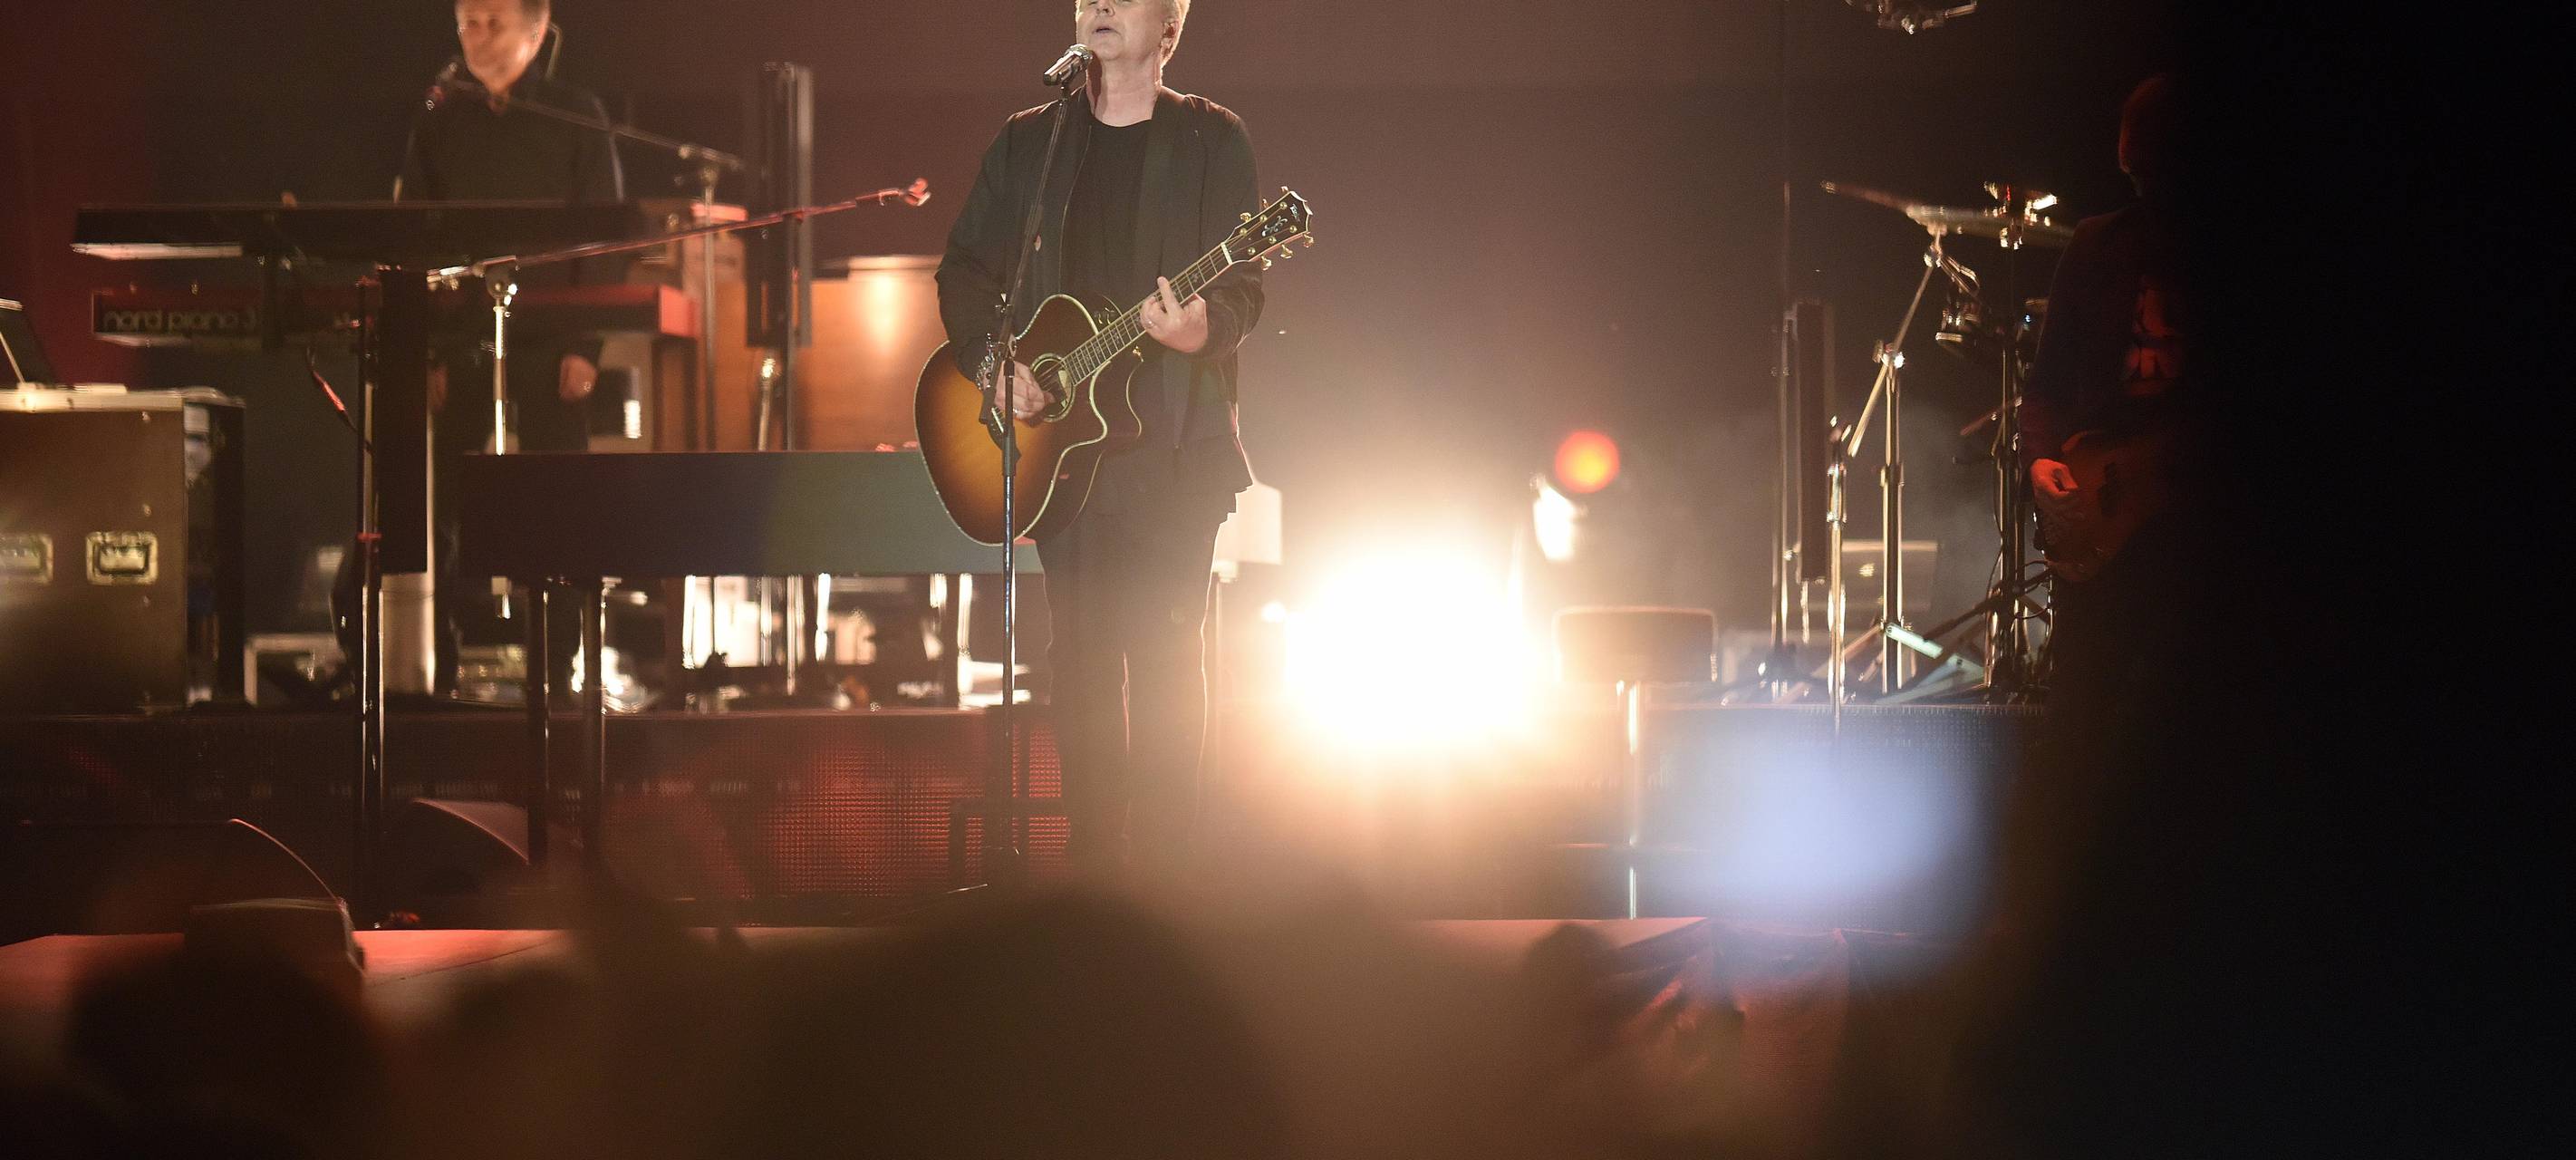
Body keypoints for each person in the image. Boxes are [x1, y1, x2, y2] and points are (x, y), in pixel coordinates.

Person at [935, 0, 1263, 879]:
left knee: (1163, 655)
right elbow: (966, 267)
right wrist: (992, 362)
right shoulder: (1029, 144)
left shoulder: (1208, 140)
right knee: (1075, 660)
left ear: (1170, 25)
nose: (1099, 4)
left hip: (1171, 447)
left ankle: (1168, 882)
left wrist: (1200, 328)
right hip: (1061, 453)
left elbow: (1245, 285)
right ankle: (1091, 875)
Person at [397, 0, 623, 691]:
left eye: (492, 21)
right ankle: (442, 664)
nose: (476, 35)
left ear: (537, 28)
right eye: (466, 21)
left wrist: (588, 343)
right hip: (464, 338)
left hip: (554, 342)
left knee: (560, 501)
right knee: (450, 505)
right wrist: (428, 350)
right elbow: (414, 236)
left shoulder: (574, 111)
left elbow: (608, 237)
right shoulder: (441, 117)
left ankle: (559, 667)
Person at [2019, 73, 2201, 699]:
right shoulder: (2097, 246)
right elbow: (2042, 385)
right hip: (2106, 521)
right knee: (2085, 702)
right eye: (2138, 169)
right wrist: (2041, 461)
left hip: (2195, 536)